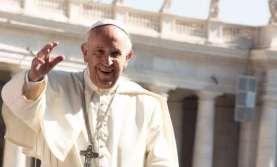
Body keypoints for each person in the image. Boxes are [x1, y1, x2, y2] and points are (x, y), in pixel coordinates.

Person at [1, 19, 179, 167]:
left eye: (115, 54)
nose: (106, 61)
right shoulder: (54, 86)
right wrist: (33, 78)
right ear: (85, 53)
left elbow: (162, 161)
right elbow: (17, 104)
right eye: (99, 51)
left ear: (127, 58)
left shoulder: (146, 104)